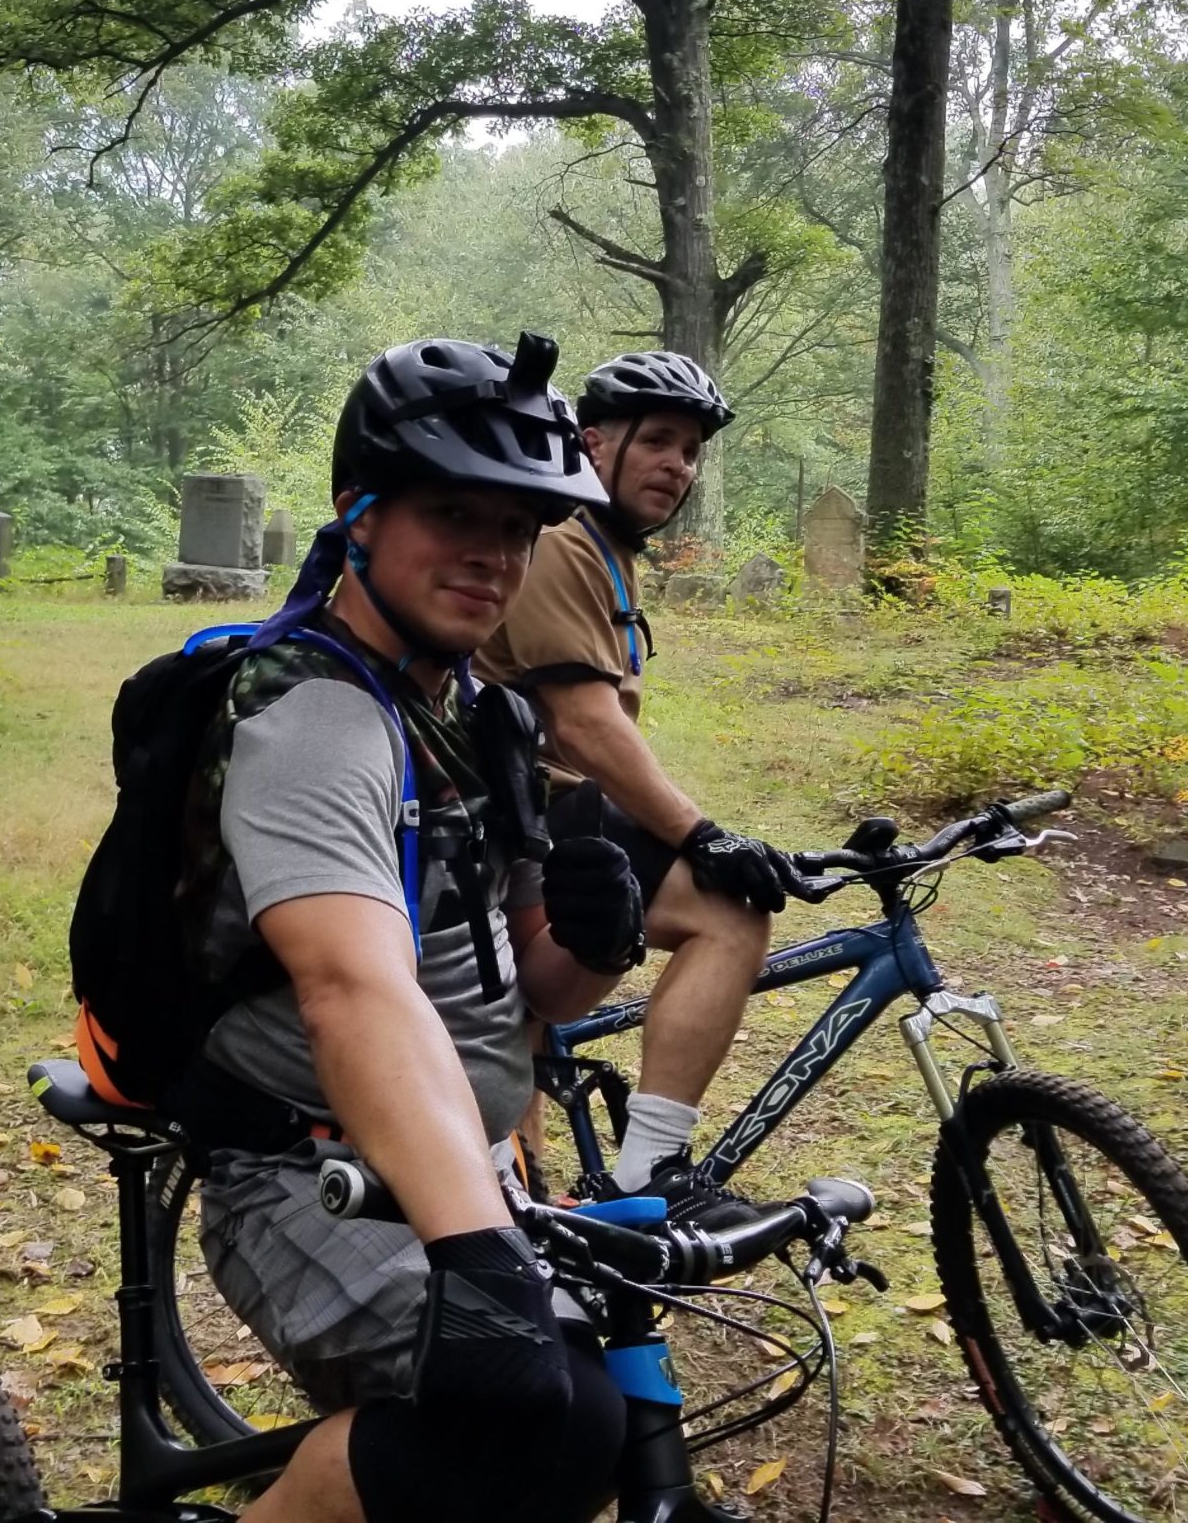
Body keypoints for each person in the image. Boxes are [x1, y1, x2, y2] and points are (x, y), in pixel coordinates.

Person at [187, 335, 638, 1523]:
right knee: (535, 1424)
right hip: (299, 1168)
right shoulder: (314, 718)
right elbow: (350, 989)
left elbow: (534, 988)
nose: (493, 556)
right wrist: (475, 1257)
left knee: (608, 1417)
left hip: (465, 1161)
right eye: (455, 514)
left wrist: (591, 944)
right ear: (362, 516)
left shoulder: (481, 716)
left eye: (519, 527)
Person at [474, 350, 819, 1224]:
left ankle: (542, 1196)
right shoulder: (559, 540)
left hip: (549, 808)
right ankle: (648, 1175)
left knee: (534, 1021)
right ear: (593, 442)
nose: (679, 466)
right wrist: (702, 835)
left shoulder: (605, 547)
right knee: (727, 910)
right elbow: (584, 724)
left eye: (692, 451)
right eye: (658, 441)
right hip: (506, 820)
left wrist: (689, 825)